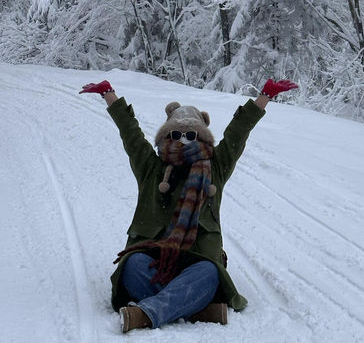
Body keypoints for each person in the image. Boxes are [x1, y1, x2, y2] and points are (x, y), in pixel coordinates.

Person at [79, 76, 298, 333]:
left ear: (202, 138)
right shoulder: (151, 168)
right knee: (133, 264)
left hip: (196, 262)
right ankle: (194, 306)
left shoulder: (215, 168)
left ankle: (147, 314)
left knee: (209, 273)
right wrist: (109, 94)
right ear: (166, 136)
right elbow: (131, 134)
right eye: (176, 134)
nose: (183, 140)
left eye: (191, 134)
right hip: (154, 262)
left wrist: (264, 98)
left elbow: (237, 134)